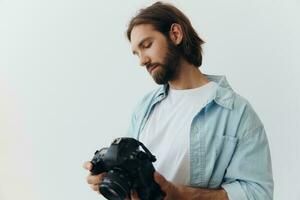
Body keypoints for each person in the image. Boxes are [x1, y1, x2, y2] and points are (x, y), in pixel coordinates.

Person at [83, 2, 274, 199]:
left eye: (147, 45)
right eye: (137, 53)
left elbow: (258, 193)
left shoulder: (237, 113)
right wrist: (110, 177)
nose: (142, 60)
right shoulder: (144, 108)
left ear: (175, 34)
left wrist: (182, 195)